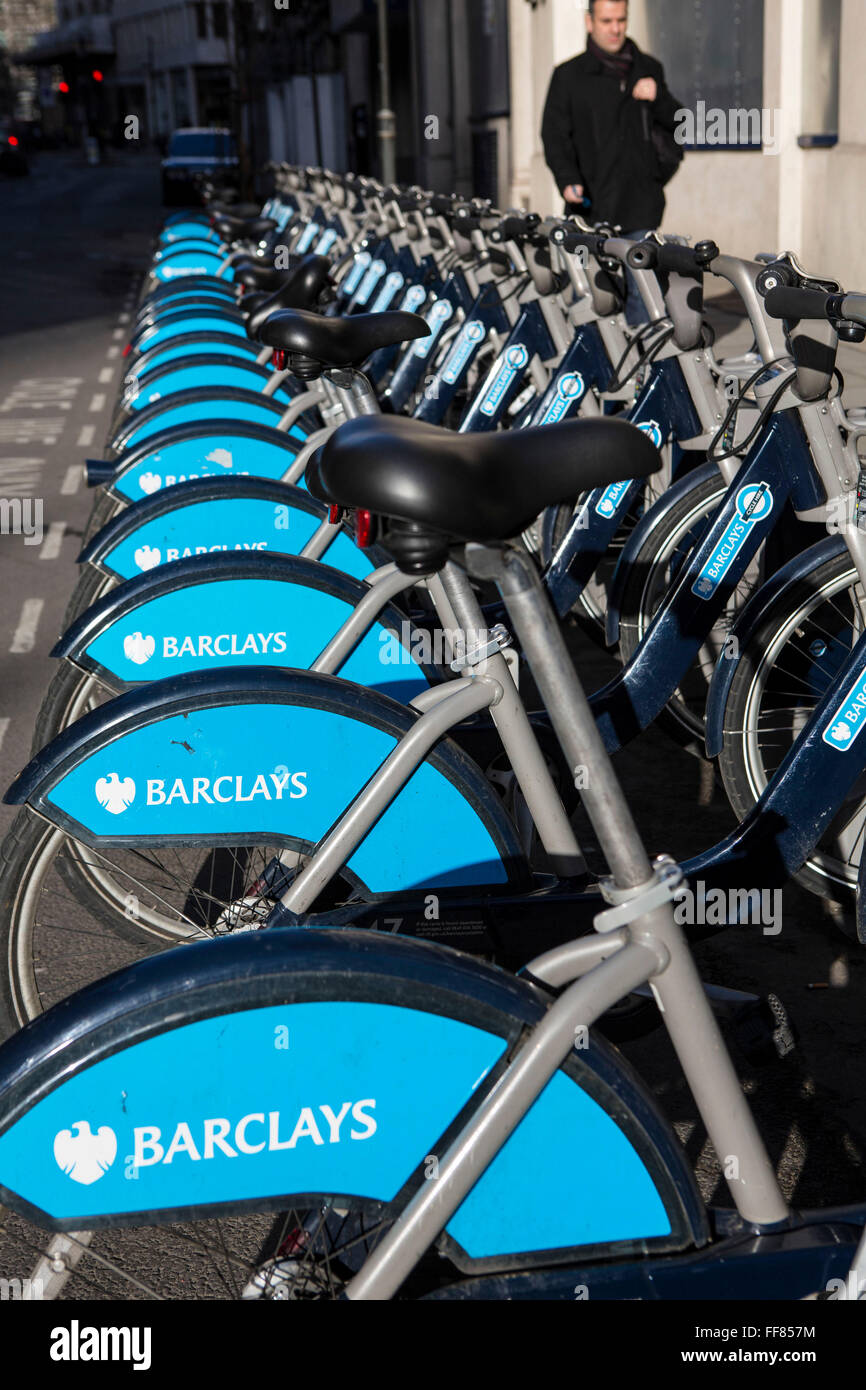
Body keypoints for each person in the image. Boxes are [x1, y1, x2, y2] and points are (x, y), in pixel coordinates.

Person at [541, 0, 683, 235]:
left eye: (621, 20)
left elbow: (679, 124)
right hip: (588, 213)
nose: (615, 29)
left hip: (640, 214)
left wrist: (658, 97)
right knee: (586, 272)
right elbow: (554, 135)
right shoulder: (568, 76)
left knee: (639, 272)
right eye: (606, 21)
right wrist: (567, 180)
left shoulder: (649, 68)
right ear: (589, 22)